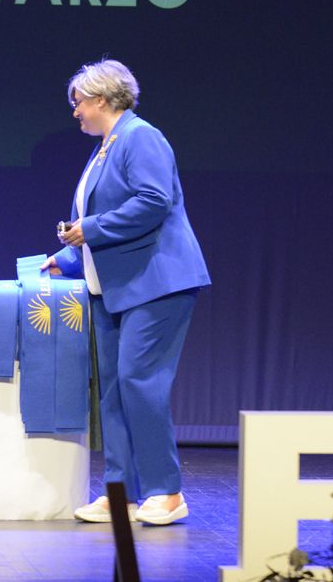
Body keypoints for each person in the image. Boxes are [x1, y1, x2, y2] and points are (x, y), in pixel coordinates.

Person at [46, 58, 209, 527]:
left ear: (100, 99)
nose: (74, 111)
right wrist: (70, 257)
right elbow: (107, 223)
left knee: (141, 383)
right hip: (115, 287)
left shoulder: (141, 136)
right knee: (116, 392)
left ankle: (166, 492)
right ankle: (122, 494)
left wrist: (89, 228)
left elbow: (154, 202)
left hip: (156, 284)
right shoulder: (106, 146)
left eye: (78, 102)